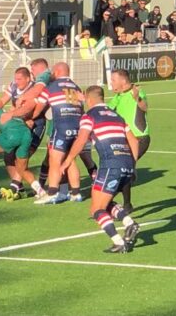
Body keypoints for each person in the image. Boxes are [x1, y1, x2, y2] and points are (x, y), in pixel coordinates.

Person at [60, 85, 141, 253]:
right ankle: (128, 223)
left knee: (96, 209)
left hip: (111, 165)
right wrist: (132, 165)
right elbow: (134, 141)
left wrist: (67, 160)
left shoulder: (89, 116)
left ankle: (119, 242)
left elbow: (82, 140)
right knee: (105, 201)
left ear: (88, 100)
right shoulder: (117, 116)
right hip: (126, 163)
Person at [34, 63, 89, 204]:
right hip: (76, 127)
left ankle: (52, 192)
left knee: (55, 160)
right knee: (70, 160)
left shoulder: (51, 87)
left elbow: (39, 107)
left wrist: (31, 118)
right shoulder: (75, 87)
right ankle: (75, 193)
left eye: (53, 71)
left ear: (57, 71)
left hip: (61, 128)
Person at [0, 105, 45, 200]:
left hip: (12, 134)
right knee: (21, 168)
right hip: (26, 134)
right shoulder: (5, 113)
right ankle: (40, 191)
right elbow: (28, 124)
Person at [106, 69, 150, 211]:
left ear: (123, 81)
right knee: (124, 170)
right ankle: (127, 204)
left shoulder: (135, 92)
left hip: (139, 139)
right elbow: (105, 112)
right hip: (125, 140)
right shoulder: (118, 97)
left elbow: (144, 107)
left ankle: (120, 202)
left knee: (124, 170)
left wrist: (137, 98)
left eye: (113, 80)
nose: (111, 83)